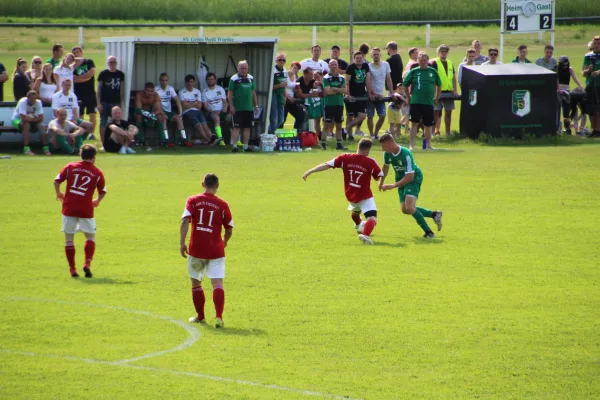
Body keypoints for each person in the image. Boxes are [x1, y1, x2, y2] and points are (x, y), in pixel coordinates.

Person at [302, 138, 383, 245]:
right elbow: (378, 177)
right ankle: (365, 235)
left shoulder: (345, 158)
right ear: (367, 151)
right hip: (364, 195)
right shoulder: (370, 162)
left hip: (350, 194)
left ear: (358, 147)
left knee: (356, 212)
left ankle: (359, 225)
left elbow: (327, 165)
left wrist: (310, 171)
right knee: (372, 218)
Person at [180, 173, 233, 328]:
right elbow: (229, 228)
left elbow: (185, 220)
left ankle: (201, 316)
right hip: (215, 250)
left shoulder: (192, 200)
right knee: (217, 283)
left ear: (202, 184)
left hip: (196, 249)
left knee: (196, 283)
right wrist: (224, 241)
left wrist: (182, 242)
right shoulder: (223, 204)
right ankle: (219, 317)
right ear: (217, 186)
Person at [53, 144, 106, 278]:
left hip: (69, 207)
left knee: (69, 238)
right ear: (94, 157)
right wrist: (97, 200)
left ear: (80, 155)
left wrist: (58, 193)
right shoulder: (97, 172)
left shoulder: (70, 166)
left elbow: (56, 181)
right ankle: (87, 264)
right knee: (90, 236)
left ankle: (72, 269)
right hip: (86, 208)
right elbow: (103, 191)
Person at [378, 133, 442, 238]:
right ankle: (434, 214)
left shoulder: (405, 153)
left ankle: (429, 233)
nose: (382, 149)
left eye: (383, 146)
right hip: (401, 179)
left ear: (390, 144)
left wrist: (393, 186)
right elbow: (385, 167)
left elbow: (410, 176)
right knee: (405, 209)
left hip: (413, 178)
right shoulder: (387, 154)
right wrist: (381, 182)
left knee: (409, 207)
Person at [402, 52, 441, 150]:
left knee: (428, 124)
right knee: (414, 123)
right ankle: (412, 145)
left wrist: (437, 97)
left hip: (428, 102)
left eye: (425, 60)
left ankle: (428, 144)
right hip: (416, 102)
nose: (423, 62)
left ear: (428, 61)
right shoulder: (414, 71)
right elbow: (405, 84)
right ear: (418, 61)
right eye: (421, 60)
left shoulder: (433, 71)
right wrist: (408, 97)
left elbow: (439, 84)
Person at [52, 79, 93, 147]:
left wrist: (76, 120)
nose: (67, 87)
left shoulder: (72, 95)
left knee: (90, 125)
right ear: (62, 85)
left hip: (72, 119)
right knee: (77, 129)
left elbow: (74, 110)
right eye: (65, 85)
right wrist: (65, 121)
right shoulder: (56, 96)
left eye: (69, 85)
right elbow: (55, 112)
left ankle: (81, 140)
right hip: (62, 119)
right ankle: (77, 145)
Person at [228, 61, 258, 153]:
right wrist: (231, 106)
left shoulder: (251, 78)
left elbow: (253, 93)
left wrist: (255, 105)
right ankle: (234, 146)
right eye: (242, 68)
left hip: (248, 108)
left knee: (247, 127)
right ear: (238, 68)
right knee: (236, 128)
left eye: (245, 68)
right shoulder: (234, 79)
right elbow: (229, 94)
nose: (244, 70)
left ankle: (245, 146)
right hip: (238, 108)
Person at [429, 44, 457, 136]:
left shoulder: (450, 62)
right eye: (442, 51)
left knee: (448, 113)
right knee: (435, 113)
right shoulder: (434, 63)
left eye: (445, 52)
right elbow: (432, 78)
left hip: (449, 91)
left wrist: (455, 90)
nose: (444, 53)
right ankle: (433, 132)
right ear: (438, 52)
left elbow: (453, 77)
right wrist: (434, 93)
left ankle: (448, 132)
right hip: (438, 92)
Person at [97, 56, 125, 147]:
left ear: (116, 63)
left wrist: (121, 103)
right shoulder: (103, 74)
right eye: (110, 62)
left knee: (116, 122)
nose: (112, 64)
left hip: (116, 102)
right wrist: (98, 103)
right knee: (103, 122)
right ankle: (103, 144)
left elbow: (121, 89)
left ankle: (117, 143)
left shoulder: (120, 74)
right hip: (105, 102)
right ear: (107, 63)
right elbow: (99, 89)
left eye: (113, 62)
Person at [345, 51, 372, 141]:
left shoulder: (365, 66)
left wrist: (369, 92)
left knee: (362, 116)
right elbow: (347, 82)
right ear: (354, 59)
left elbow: (368, 80)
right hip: (352, 95)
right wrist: (347, 94)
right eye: (357, 58)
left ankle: (345, 129)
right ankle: (349, 134)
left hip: (361, 95)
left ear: (363, 58)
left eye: (360, 58)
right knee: (350, 116)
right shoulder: (350, 67)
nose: (359, 60)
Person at [179, 74, 213, 147]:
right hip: (187, 113)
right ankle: (209, 141)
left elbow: (199, 106)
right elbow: (184, 106)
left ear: (194, 82)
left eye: (192, 82)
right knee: (199, 125)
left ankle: (210, 139)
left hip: (197, 111)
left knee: (204, 124)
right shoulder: (182, 92)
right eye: (189, 82)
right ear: (186, 83)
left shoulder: (197, 91)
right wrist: (194, 103)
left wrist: (189, 104)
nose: (190, 84)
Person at [367, 47, 393, 139]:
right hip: (371, 95)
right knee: (370, 116)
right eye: (374, 54)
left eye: (377, 54)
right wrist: (372, 93)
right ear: (371, 56)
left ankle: (376, 132)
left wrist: (391, 92)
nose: (376, 56)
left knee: (382, 115)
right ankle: (371, 134)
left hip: (381, 95)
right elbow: (368, 80)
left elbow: (388, 79)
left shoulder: (386, 65)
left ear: (380, 55)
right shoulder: (368, 66)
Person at [322, 59, 347, 151]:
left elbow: (345, 91)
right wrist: (339, 89)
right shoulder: (326, 78)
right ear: (329, 66)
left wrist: (334, 88)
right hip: (329, 104)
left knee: (339, 125)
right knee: (326, 125)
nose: (334, 66)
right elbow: (328, 92)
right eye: (332, 64)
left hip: (339, 104)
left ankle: (339, 143)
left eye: (335, 64)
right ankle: (323, 143)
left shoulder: (342, 78)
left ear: (338, 66)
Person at [72, 46, 98, 138]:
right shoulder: (73, 66)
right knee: (80, 114)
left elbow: (92, 72)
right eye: (74, 53)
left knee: (92, 113)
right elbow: (74, 80)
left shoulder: (88, 62)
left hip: (90, 93)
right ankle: (82, 132)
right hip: (78, 93)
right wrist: (86, 77)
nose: (76, 54)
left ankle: (92, 133)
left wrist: (81, 77)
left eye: (77, 52)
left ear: (81, 52)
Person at [12, 90, 47, 156]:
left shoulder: (38, 102)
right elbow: (23, 119)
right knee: (26, 125)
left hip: (31, 119)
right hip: (17, 120)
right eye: (32, 99)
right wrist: (34, 119)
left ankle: (46, 148)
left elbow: (41, 118)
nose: (33, 101)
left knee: (41, 125)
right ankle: (26, 149)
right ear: (28, 98)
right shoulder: (22, 102)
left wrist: (31, 119)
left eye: (35, 99)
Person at [134, 82, 169, 146]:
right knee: (138, 116)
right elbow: (138, 109)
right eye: (148, 91)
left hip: (152, 113)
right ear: (144, 90)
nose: (149, 93)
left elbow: (158, 109)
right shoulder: (139, 95)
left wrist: (152, 115)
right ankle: (141, 140)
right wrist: (148, 115)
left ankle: (163, 140)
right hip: (141, 113)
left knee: (161, 117)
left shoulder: (155, 95)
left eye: (151, 91)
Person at [156, 73, 187, 146]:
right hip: (159, 111)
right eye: (162, 80)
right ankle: (165, 139)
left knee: (179, 118)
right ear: (160, 81)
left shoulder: (170, 88)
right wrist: (162, 113)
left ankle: (183, 139)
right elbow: (156, 103)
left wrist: (180, 112)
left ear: (168, 81)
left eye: (166, 80)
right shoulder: (156, 89)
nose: (164, 82)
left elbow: (177, 99)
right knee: (163, 119)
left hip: (169, 112)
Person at [556, 56, 584, 134]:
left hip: (567, 90)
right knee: (558, 109)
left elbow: (575, 79)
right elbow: (556, 80)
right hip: (559, 91)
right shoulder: (557, 69)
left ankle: (568, 127)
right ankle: (557, 127)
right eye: (563, 64)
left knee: (567, 110)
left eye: (566, 64)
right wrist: (558, 89)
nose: (565, 66)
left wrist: (581, 87)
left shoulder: (570, 69)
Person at [201, 72, 227, 145]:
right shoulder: (204, 92)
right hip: (211, 112)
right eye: (209, 79)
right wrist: (213, 111)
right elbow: (205, 106)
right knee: (216, 118)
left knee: (232, 117)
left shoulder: (220, 88)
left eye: (212, 79)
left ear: (215, 80)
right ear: (206, 81)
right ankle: (221, 140)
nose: (210, 81)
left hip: (222, 111)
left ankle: (236, 141)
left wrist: (225, 108)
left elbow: (225, 102)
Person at [583, 35, 600, 137]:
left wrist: (598, 72)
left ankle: (598, 129)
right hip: (591, 84)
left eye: (599, 44)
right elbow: (583, 73)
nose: (597, 46)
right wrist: (588, 70)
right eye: (595, 44)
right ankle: (594, 129)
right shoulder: (588, 56)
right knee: (592, 109)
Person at [282, 61, 304, 132]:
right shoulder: (285, 75)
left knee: (300, 115)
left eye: (297, 69)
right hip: (285, 99)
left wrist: (296, 91)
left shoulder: (295, 77)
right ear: (290, 67)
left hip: (292, 100)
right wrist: (288, 97)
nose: (295, 70)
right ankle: (278, 135)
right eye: (294, 67)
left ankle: (295, 132)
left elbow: (294, 89)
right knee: (283, 118)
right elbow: (283, 87)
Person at [269, 53, 288, 134]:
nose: (282, 61)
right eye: (280, 60)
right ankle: (270, 136)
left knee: (281, 119)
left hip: (281, 96)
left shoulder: (285, 70)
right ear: (276, 60)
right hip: (273, 95)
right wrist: (279, 85)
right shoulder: (273, 70)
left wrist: (285, 97)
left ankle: (269, 132)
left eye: (283, 60)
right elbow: (269, 87)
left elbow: (285, 86)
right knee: (274, 119)